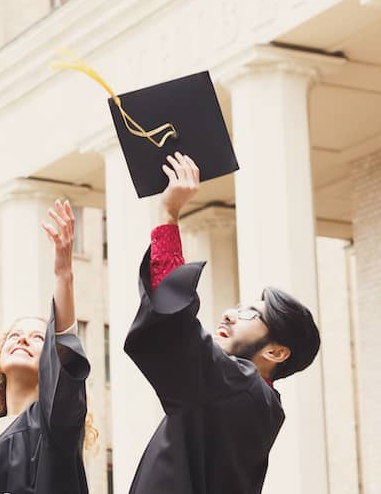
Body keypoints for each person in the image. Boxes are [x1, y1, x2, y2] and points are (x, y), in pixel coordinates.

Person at [126, 152, 322, 493]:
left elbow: (175, 332)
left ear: (276, 351)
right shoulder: (252, 401)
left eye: (251, 313)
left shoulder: (243, 389)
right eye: (237, 306)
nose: (229, 314)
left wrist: (168, 214)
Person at [0, 199, 94, 493]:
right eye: (14, 335)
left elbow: (66, 352)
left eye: (39, 337)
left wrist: (63, 274)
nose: (23, 339)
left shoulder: (54, 427)